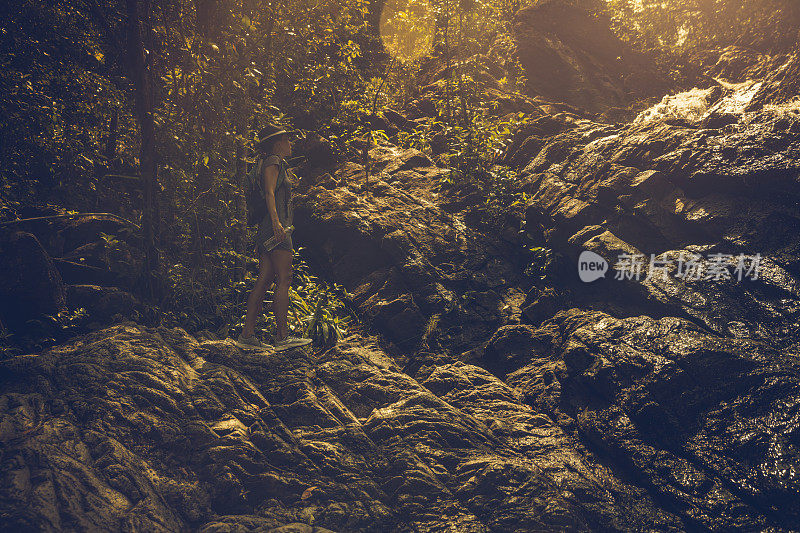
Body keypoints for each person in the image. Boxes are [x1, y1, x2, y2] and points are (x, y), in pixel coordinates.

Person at [236, 125, 312, 352]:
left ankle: (247, 336)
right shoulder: (273, 162)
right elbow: (269, 193)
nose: (291, 143)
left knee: (265, 279)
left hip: (268, 228)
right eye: (287, 140)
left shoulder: (270, 163)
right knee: (285, 277)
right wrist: (278, 223)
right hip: (275, 229)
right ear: (277, 143)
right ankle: (282, 337)